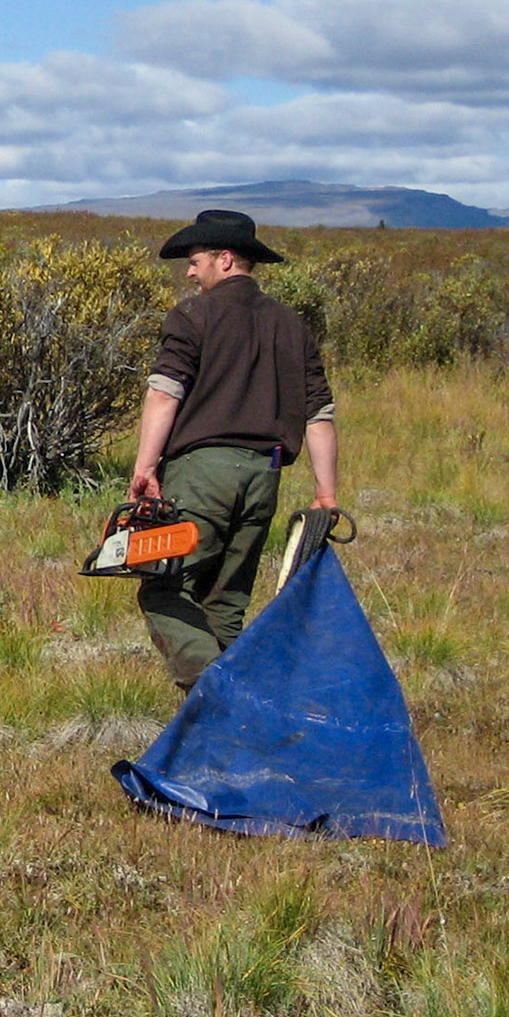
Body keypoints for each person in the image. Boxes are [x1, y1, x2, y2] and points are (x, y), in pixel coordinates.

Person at [126, 209, 337, 690]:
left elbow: (165, 393)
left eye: (194, 261)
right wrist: (326, 493)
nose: (189, 272)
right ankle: (224, 723)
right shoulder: (291, 324)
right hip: (265, 478)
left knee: (164, 587)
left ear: (224, 259)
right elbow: (320, 416)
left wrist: (145, 466)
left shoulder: (194, 315)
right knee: (225, 603)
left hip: (201, 475)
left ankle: (220, 693)